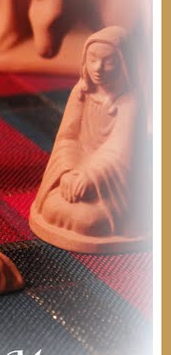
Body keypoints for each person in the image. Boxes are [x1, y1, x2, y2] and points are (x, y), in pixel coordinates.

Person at [30, 26, 149, 252]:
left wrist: (89, 176)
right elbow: (68, 138)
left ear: (124, 63)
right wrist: (68, 172)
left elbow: (118, 151)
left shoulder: (130, 102)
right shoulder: (81, 92)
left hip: (111, 187)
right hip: (74, 175)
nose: (98, 68)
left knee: (90, 222)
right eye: (92, 59)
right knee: (52, 207)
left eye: (108, 61)